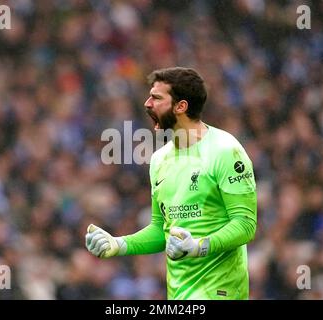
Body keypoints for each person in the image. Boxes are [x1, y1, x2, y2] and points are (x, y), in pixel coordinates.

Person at [85, 67, 257, 300]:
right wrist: (119, 244)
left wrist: (198, 246)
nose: (147, 104)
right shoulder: (159, 160)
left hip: (221, 292)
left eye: (156, 98)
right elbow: (160, 230)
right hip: (178, 295)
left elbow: (245, 224)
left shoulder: (226, 150)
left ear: (181, 106)